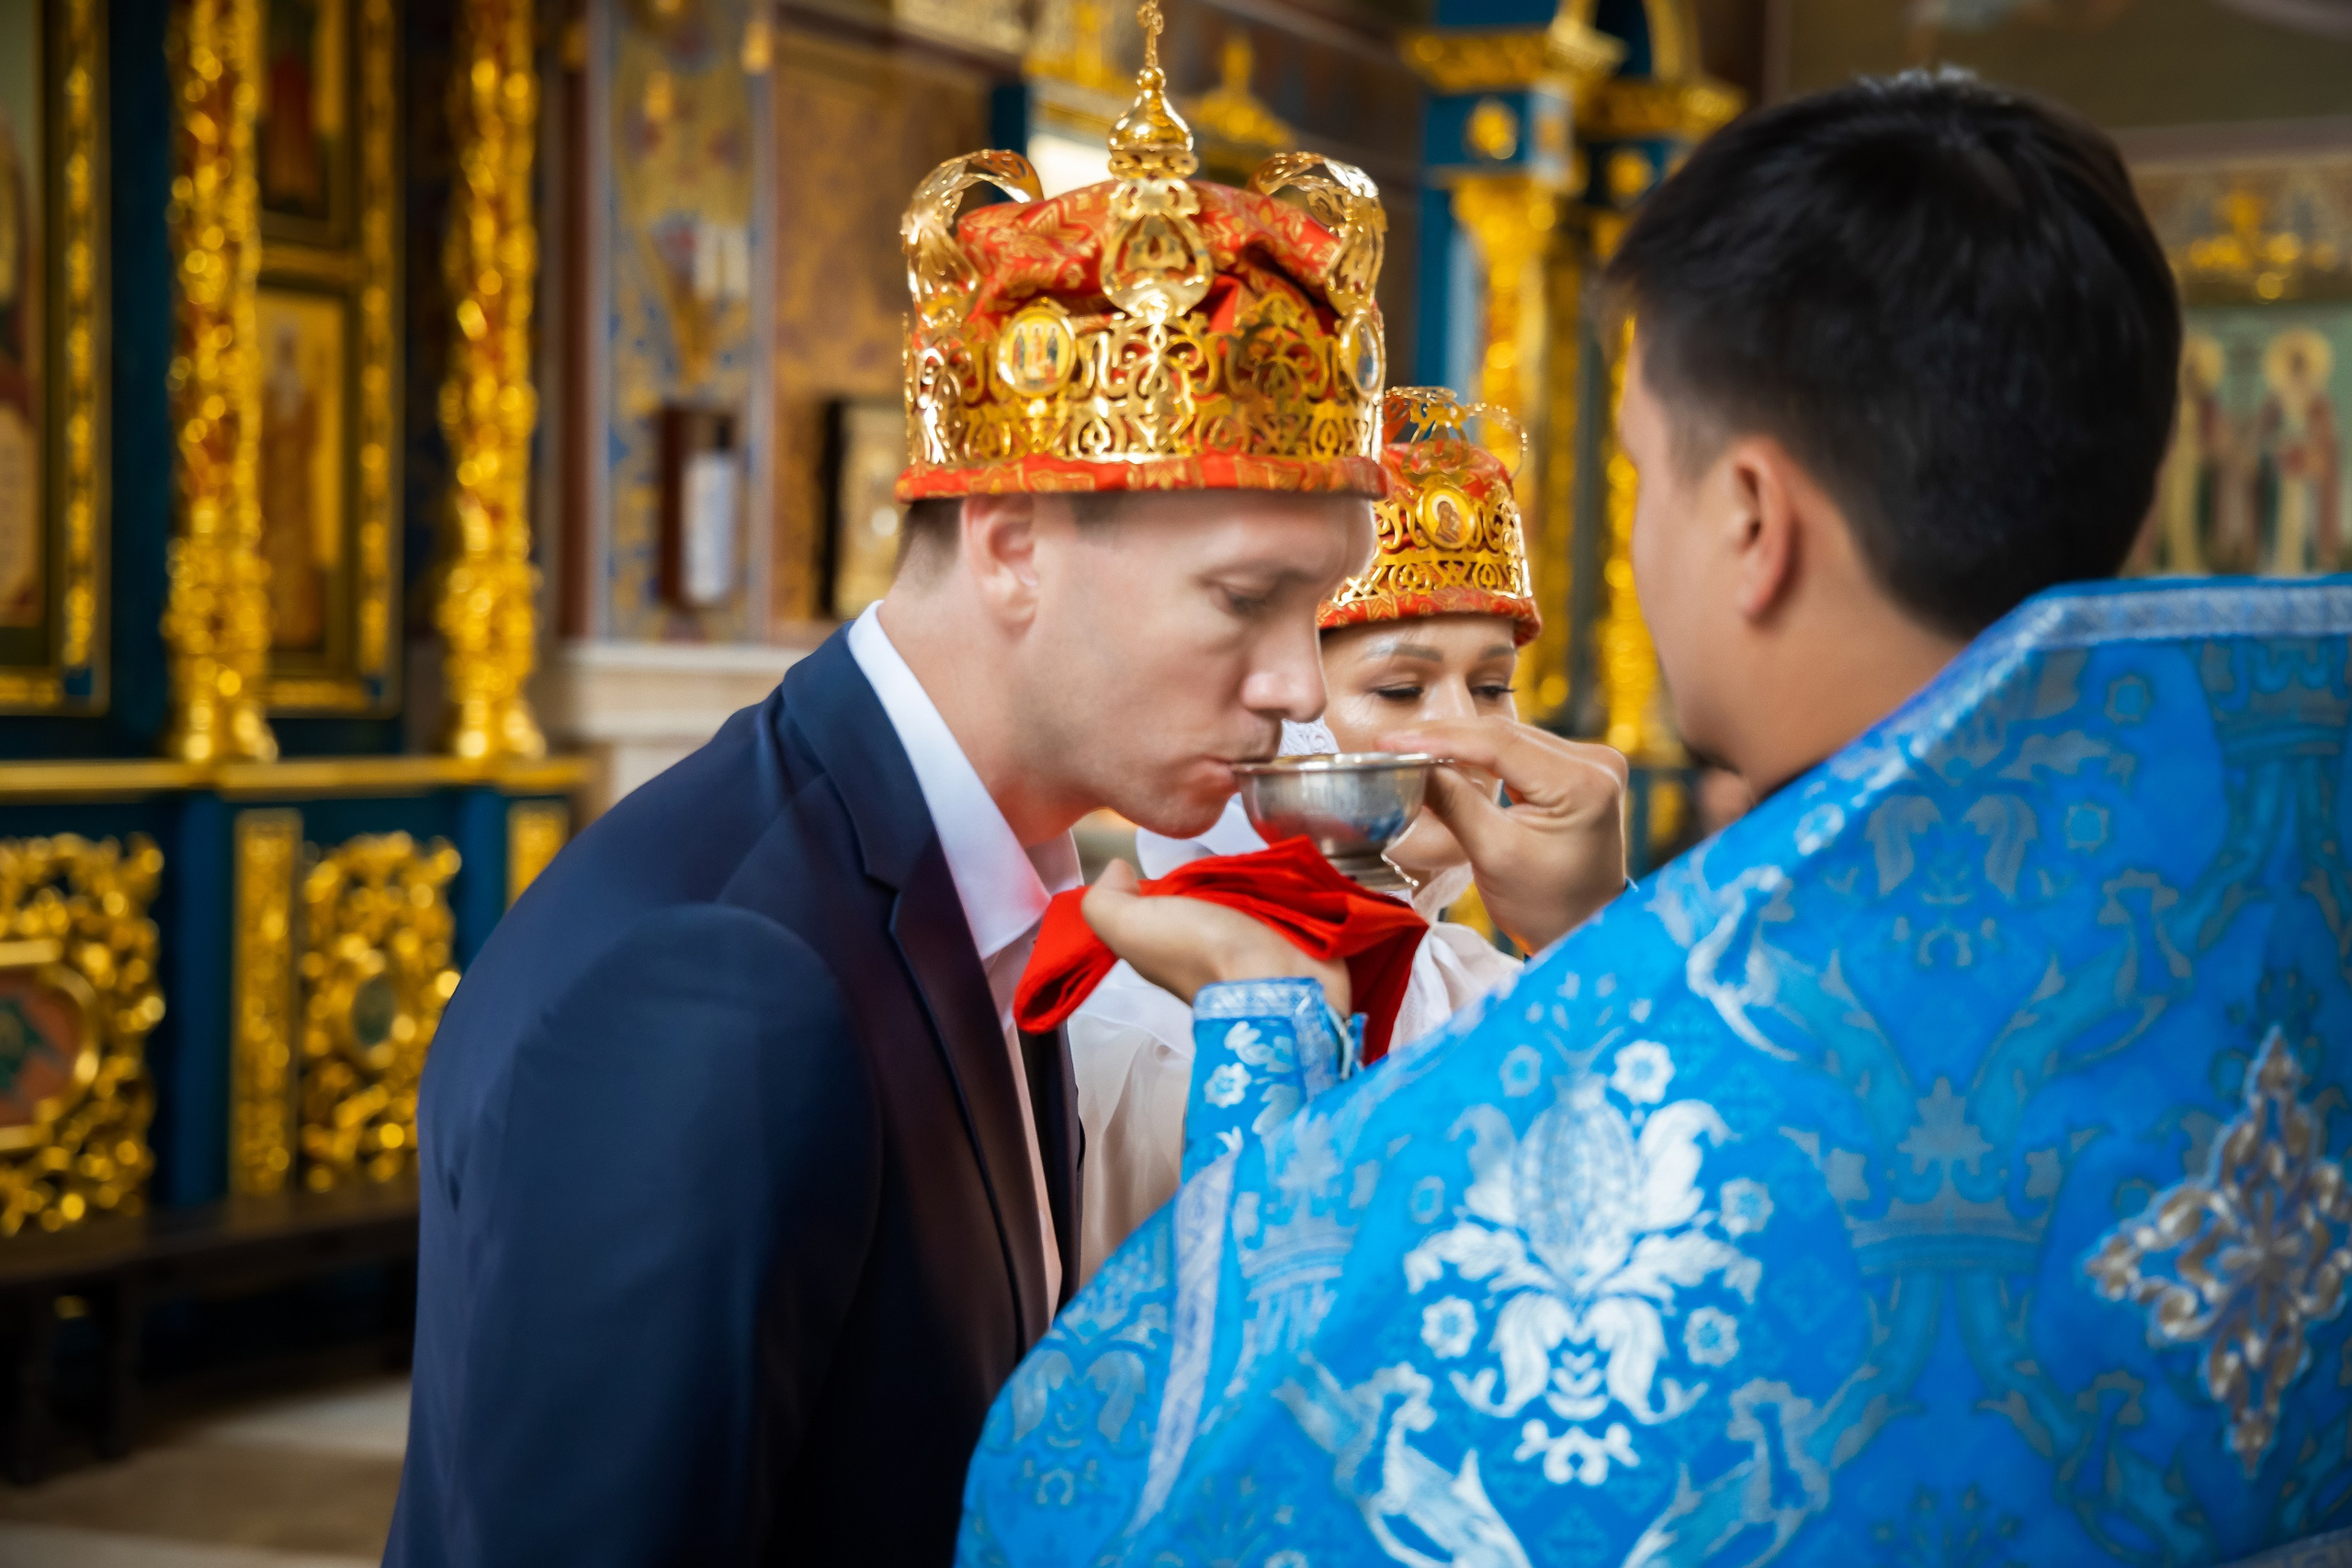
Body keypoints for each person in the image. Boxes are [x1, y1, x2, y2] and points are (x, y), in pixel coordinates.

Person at [957, 72, 2352, 1566]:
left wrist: (1267, 1031)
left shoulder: (1635, 1036)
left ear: (1750, 519)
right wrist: (1598, 952)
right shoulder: (2282, 944)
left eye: (1637, 474)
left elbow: (1126, 1502)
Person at [1069, 388, 1627, 1280]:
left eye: (1491, 689)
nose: (1462, 737)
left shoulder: (1492, 988)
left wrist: (1593, 928)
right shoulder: (1133, 1026)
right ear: (1284, 706)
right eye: (1401, 691)